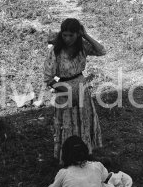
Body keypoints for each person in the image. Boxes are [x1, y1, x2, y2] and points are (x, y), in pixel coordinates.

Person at [44, 18, 106, 162]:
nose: (67, 39)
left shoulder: (82, 46)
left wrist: (86, 35)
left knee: (84, 121)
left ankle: (87, 153)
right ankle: (67, 158)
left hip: (81, 86)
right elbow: (48, 79)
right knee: (68, 124)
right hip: (64, 89)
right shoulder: (56, 51)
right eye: (64, 35)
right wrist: (67, 92)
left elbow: (102, 51)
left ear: (77, 34)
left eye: (71, 35)